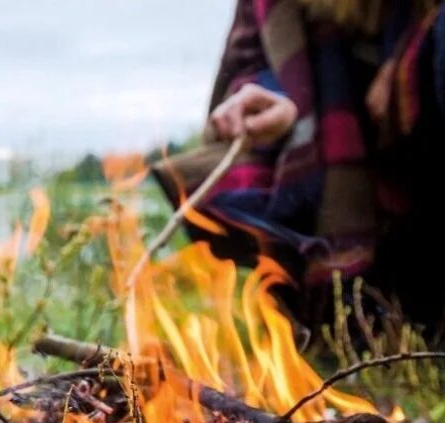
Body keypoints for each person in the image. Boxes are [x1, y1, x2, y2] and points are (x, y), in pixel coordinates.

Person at [152, 0, 445, 329]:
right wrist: (280, 103)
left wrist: (408, 62)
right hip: (340, 199)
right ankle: (353, 306)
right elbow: (245, 72)